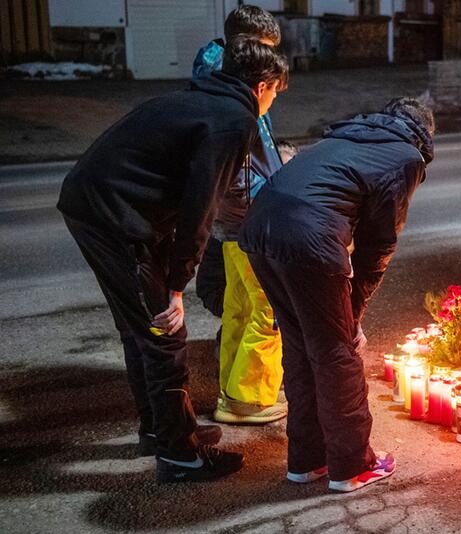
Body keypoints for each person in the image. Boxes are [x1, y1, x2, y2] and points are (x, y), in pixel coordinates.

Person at [57, 36, 289, 483]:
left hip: (105, 205)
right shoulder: (233, 120)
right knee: (164, 329)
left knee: (140, 326)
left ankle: (161, 430)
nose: (273, 102)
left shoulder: (199, 97)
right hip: (113, 218)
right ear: (262, 85)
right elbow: (201, 208)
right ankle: (179, 456)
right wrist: (177, 287)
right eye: (276, 91)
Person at [238, 97, 435, 492]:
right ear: (424, 137)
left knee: (299, 346)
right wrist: (353, 316)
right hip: (307, 238)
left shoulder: (347, 137)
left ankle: (307, 461)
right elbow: (377, 246)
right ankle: (351, 465)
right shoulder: (404, 158)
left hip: (259, 229)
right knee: (335, 354)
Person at [191, 5, 289, 425]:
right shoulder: (236, 90)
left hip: (231, 217)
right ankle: (249, 400)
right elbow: (252, 157)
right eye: (262, 51)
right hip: (248, 212)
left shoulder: (212, 77)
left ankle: (231, 391)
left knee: (241, 307)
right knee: (268, 309)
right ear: (243, 47)